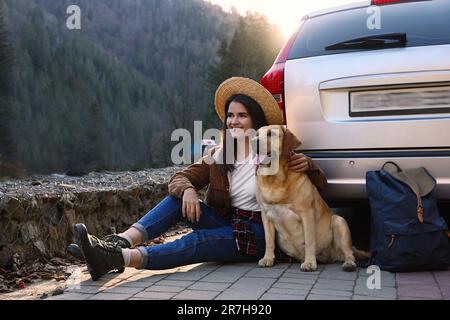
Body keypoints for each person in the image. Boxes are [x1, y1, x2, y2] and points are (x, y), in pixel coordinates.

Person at [70, 77, 327, 281]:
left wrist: (310, 167)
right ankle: (119, 242)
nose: (234, 121)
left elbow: (319, 190)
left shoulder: (276, 154)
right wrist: (189, 191)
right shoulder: (219, 155)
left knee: (196, 241)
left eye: (242, 115)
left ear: (256, 120)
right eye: (230, 116)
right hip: (226, 221)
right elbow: (180, 178)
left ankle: (119, 258)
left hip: (260, 233)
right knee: (176, 200)